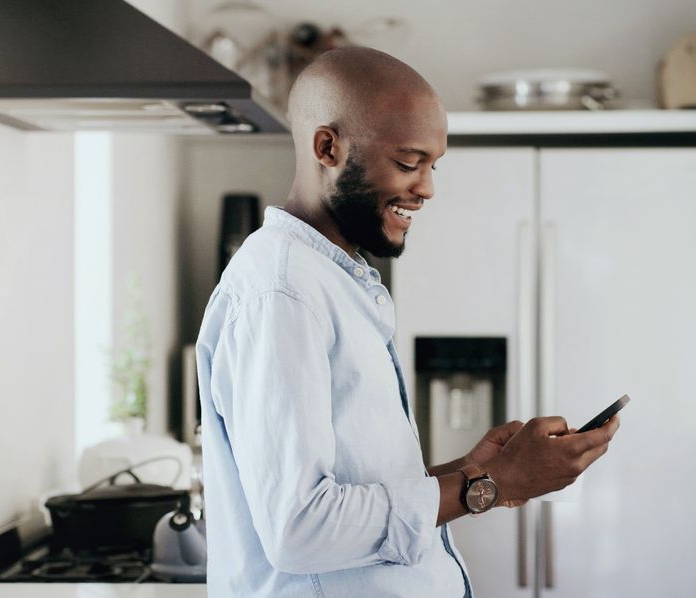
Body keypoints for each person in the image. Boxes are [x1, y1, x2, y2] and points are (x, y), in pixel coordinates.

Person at [195, 47, 620, 597]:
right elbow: (299, 529)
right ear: (328, 147)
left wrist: (467, 469)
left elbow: (353, 492)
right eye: (407, 162)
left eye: (433, 165)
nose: (427, 188)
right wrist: (490, 482)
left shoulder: (333, 279)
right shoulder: (282, 292)